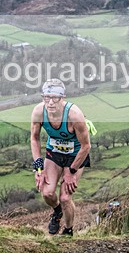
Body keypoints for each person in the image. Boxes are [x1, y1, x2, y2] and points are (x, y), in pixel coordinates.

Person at [31, 79, 92, 236]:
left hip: (76, 155)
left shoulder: (74, 115)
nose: (50, 102)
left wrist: (71, 171)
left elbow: (86, 146)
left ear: (62, 97)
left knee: (65, 197)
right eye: (46, 97)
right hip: (55, 153)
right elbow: (34, 138)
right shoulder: (39, 112)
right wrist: (38, 167)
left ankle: (68, 229)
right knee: (47, 193)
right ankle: (57, 212)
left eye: (55, 98)